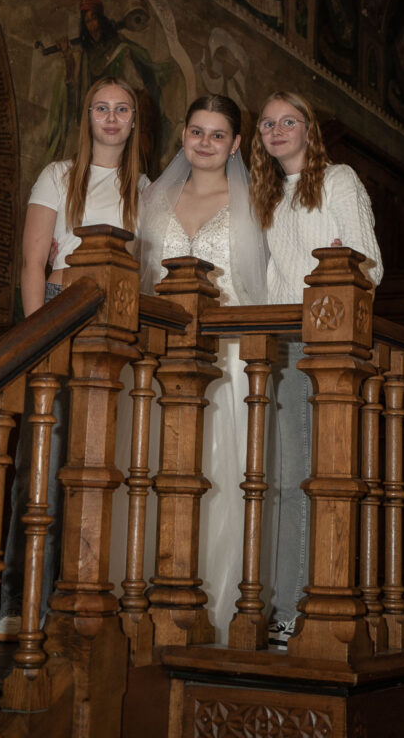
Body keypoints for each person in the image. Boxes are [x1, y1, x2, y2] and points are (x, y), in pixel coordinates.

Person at [0, 76, 149, 638]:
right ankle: (18, 602)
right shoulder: (59, 175)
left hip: (119, 323)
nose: (111, 118)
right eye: (100, 108)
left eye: (122, 109)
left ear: (134, 120)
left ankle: (80, 601)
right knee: (43, 460)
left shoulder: (147, 187)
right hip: (60, 313)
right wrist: (39, 337)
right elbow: (33, 261)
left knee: (103, 462)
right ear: (87, 117)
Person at [249, 90, 383, 646]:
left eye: (289, 121)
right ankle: (281, 603)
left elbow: (369, 266)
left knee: (307, 478)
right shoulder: (265, 195)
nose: (277, 130)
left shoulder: (338, 180)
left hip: (322, 345)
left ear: (309, 129)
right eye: (267, 124)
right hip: (274, 344)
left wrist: (337, 272)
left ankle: (294, 611)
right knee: (277, 481)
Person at [138, 94, 267, 643]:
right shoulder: (153, 198)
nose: (206, 143)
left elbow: (262, 283)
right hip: (161, 353)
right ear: (184, 136)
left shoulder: (255, 201)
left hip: (229, 356)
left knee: (220, 474)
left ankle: (216, 604)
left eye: (218, 135)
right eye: (197, 131)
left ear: (235, 144)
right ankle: (147, 600)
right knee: (154, 469)